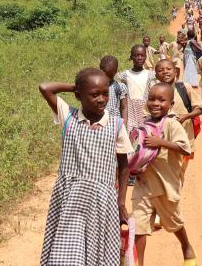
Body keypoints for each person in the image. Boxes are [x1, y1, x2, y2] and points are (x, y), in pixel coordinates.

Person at [36, 69, 132, 265]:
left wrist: (121, 202)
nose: (101, 99)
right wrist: (76, 87)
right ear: (79, 96)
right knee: (66, 255)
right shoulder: (68, 116)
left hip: (100, 202)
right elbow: (45, 88)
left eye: (105, 93)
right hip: (70, 200)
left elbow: (124, 166)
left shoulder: (116, 125)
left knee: (96, 255)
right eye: (94, 94)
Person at [131, 83, 199, 266]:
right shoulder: (143, 124)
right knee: (138, 227)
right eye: (152, 99)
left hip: (165, 186)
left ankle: (186, 246)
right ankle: (139, 263)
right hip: (144, 184)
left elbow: (185, 148)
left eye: (161, 100)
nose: (155, 103)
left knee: (175, 223)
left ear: (171, 103)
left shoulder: (172, 124)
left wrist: (161, 142)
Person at [118, 45, 155, 129]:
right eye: (136, 55)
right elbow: (123, 95)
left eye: (142, 55)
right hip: (130, 110)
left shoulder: (150, 74)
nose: (139, 58)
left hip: (145, 111)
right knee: (131, 134)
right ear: (131, 57)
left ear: (146, 57)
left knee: (145, 134)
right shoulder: (125, 75)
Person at [101, 56, 127, 121]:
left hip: (114, 122)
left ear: (115, 72)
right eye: (105, 74)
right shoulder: (95, 86)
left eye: (110, 75)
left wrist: (123, 125)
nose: (107, 78)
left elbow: (124, 108)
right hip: (99, 120)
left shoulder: (120, 87)